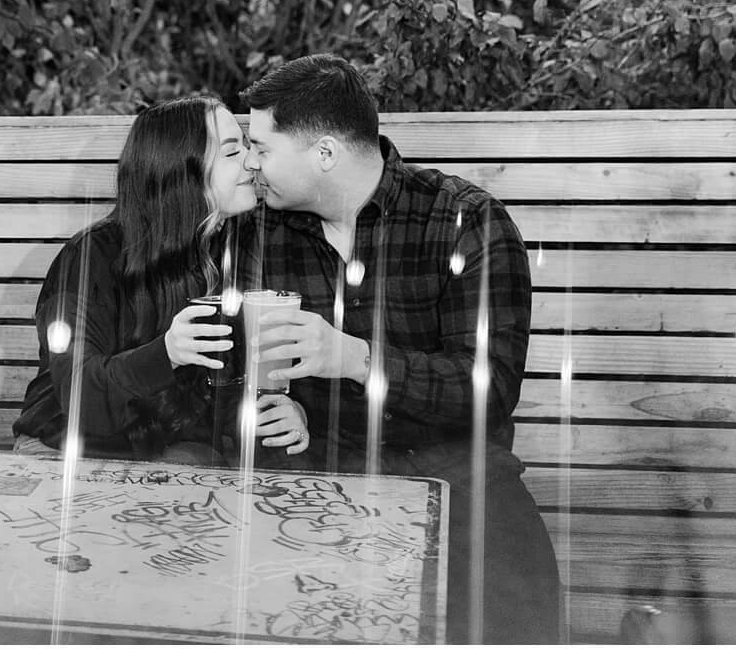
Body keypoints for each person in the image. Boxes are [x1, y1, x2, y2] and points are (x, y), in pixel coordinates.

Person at [239, 53, 563, 645]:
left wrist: (355, 359)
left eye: (262, 148)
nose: (252, 165)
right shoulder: (260, 233)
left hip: (453, 474)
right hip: (322, 471)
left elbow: (488, 390)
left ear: (325, 154)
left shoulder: (466, 223)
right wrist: (277, 405)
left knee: (519, 604)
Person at [12, 94, 310, 463]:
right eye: (233, 152)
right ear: (179, 171)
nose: (252, 161)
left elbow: (225, 394)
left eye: (249, 146)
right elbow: (79, 396)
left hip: (165, 453)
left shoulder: (233, 248)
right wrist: (166, 353)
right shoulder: (92, 256)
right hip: (68, 449)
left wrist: (291, 412)